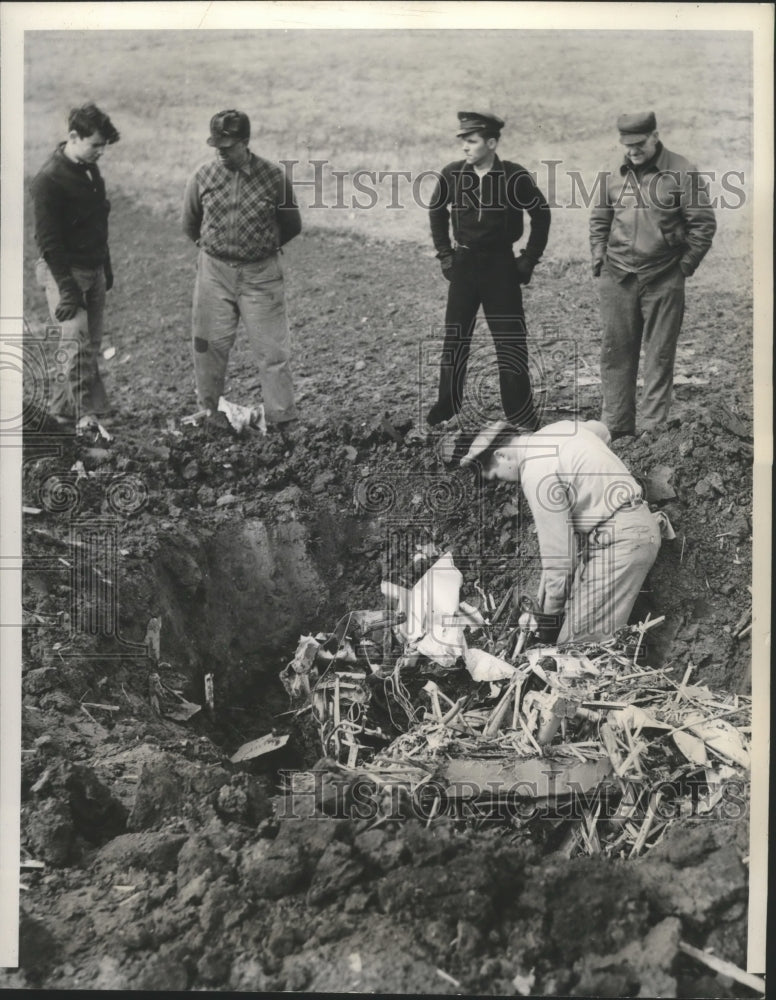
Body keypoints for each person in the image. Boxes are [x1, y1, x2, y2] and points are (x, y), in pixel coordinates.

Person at [459, 418, 661, 644]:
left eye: (496, 476)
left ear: (502, 456)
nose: (503, 483)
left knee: (573, 653)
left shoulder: (536, 472)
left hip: (620, 541)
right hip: (632, 527)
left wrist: (548, 624)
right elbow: (602, 430)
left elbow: (560, 564)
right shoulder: (558, 430)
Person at [590, 111, 716, 439]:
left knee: (659, 355)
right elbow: (600, 220)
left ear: (655, 136)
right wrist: (599, 259)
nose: (632, 151)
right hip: (617, 276)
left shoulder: (682, 171)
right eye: (626, 145)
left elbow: (703, 225)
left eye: (639, 144)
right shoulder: (610, 172)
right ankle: (616, 428)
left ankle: (651, 433)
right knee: (615, 352)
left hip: (663, 277)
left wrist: (683, 268)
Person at [427, 111, 551, 430]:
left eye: (472, 141)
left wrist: (528, 260)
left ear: (492, 142)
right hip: (464, 265)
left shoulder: (514, 176)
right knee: (455, 340)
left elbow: (541, 215)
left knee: (510, 341)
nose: (465, 148)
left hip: (501, 267)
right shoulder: (452, 175)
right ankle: (447, 412)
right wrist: (445, 256)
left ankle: (520, 416)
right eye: (463, 141)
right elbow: (436, 212)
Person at [182, 109, 302, 436]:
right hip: (214, 273)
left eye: (227, 145)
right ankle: (209, 415)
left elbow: (292, 224)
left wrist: (258, 249)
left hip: (260, 275)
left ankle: (283, 421)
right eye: (216, 145)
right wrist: (215, 249)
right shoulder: (203, 176)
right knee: (208, 346)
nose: (220, 151)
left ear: (245, 142)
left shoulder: (272, 177)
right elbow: (189, 223)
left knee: (272, 350)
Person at [32, 103, 120, 432]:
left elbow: (98, 222)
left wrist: (105, 266)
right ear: (73, 136)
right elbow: (48, 241)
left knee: (90, 345)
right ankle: (77, 418)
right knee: (75, 346)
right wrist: (67, 288)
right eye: (95, 144)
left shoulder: (89, 170)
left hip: (93, 269)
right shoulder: (48, 181)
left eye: (103, 146)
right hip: (64, 274)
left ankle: (68, 411)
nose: (101, 152)